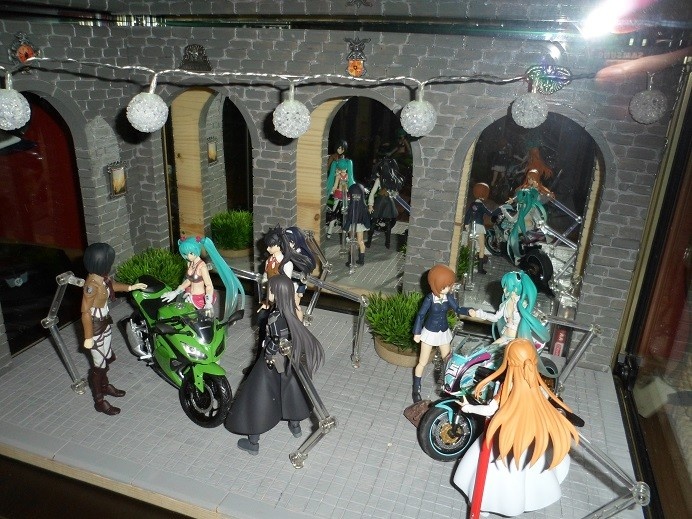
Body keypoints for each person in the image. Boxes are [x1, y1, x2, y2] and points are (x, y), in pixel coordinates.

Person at [452, 338, 579, 516]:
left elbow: (489, 409)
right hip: (526, 437)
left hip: (502, 437)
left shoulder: (507, 387)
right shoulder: (539, 386)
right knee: (521, 475)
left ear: (509, 362)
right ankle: (499, 504)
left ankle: (483, 506)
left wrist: (468, 408)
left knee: (491, 477)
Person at [224, 274, 325, 455]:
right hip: (289, 360)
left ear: (277, 293)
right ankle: (295, 426)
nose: (266, 291)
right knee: (292, 390)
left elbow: (276, 340)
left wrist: (268, 354)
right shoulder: (294, 311)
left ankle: (253, 441)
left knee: (256, 396)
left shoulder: (276, 316)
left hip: (273, 360)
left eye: (269, 290)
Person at [81, 243, 146, 416]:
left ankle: (104, 385)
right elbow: (85, 312)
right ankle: (99, 401)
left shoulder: (102, 278)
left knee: (108, 357)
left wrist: (130, 287)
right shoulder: (91, 286)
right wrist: (88, 336)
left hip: (105, 322)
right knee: (99, 365)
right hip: (96, 327)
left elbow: (112, 286)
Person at [412, 264, 470, 402]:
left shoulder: (448, 297)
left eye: (449, 285)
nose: (448, 288)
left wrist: (469, 311)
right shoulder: (429, 299)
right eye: (445, 286)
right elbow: (420, 315)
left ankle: (448, 386)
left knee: (448, 361)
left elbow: (457, 309)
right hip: (430, 332)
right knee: (422, 362)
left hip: (443, 332)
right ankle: (416, 388)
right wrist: (417, 332)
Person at [469, 270, 549, 346]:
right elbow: (495, 318)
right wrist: (477, 314)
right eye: (504, 287)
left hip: (516, 340)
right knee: (487, 352)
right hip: (505, 336)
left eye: (506, 287)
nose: (504, 290)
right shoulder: (505, 304)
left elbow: (530, 321)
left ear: (515, 288)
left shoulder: (523, 305)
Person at [162, 236, 216, 316]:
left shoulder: (202, 267)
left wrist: (208, 302)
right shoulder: (190, 263)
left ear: (197, 250)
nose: (188, 256)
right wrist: (175, 292)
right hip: (190, 295)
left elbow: (209, 285)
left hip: (200, 298)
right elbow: (188, 281)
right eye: (185, 254)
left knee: (200, 318)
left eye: (191, 253)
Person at [367, 157, 402, 249]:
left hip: (382, 200)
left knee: (377, 222)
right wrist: (370, 205)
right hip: (386, 201)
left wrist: (370, 204)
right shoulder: (389, 179)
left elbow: (373, 192)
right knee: (384, 222)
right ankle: (385, 243)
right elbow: (373, 192)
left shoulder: (384, 179)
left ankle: (373, 242)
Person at [285, 226, 317, 320]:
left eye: (290, 241)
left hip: (296, 284)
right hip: (286, 283)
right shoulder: (286, 253)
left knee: (295, 306)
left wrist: (301, 289)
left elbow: (304, 275)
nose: (287, 244)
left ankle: (299, 325)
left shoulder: (301, 255)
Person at [325, 140, 355, 239]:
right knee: (334, 212)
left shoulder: (348, 166)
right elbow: (334, 183)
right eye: (338, 148)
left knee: (346, 215)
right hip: (338, 193)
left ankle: (346, 234)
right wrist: (332, 189)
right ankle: (330, 231)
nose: (340, 150)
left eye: (342, 148)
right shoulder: (335, 162)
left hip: (346, 194)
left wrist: (353, 189)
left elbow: (351, 179)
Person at [463, 182, 493, 274]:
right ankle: (480, 268)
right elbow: (489, 213)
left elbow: (467, 215)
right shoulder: (481, 205)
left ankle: (466, 265)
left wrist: (466, 224)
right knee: (482, 247)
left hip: (471, 226)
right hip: (479, 227)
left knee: (469, 246)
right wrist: (498, 211)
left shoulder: (472, 204)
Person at [342, 182, 371, 267]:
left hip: (352, 225)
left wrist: (345, 228)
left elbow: (349, 218)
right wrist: (367, 225)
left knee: (352, 241)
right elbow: (366, 217)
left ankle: (351, 261)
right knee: (360, 241)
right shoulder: (363, 205)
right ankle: (361, 260)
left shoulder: (352, 206)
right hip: (360, 225)